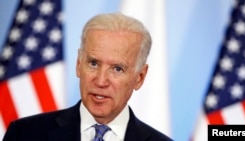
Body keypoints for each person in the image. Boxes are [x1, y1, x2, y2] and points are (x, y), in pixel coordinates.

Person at [3, 12, 173, 141]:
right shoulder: (24, 134)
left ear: (140, 77)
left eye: (117, 69)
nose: (100, 81)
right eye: (93, 63)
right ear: (79, 64)